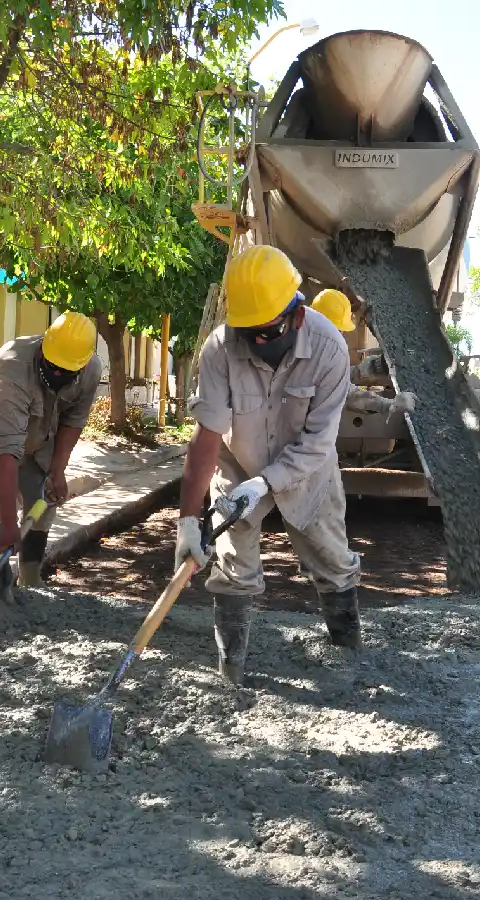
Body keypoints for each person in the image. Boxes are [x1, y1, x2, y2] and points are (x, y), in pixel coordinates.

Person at [174, 245, 362, 685]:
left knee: (333, 563)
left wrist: (267, 483)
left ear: (296, 315)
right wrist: (186, 521)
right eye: (246, 332)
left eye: (266, 332)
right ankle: (231, 672)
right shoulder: (220, 348)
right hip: (238, 466)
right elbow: (206, 435)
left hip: (308, 471)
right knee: (232, 570)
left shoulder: (330, 348)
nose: (255, 342)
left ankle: (348, 657)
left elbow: (319, 442)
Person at [0, 311, 102, 599]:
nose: (57, 374)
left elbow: (73, 421)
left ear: (82, 364)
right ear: (43, 348)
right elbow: (7, 454)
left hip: (41, 423)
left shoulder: (91, 371)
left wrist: (58, 470)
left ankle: (31, 581)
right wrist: (10, 525)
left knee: (43, 500)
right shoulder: (12, 368)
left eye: (66, 371)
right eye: (51, 366)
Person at [309, 288, 417, 421]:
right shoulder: (303, 354)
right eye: (338, 330)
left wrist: (374, 367)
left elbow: (337, 377)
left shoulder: (315, 346)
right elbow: (343, 390)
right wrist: (388, 405)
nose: (341, 335)